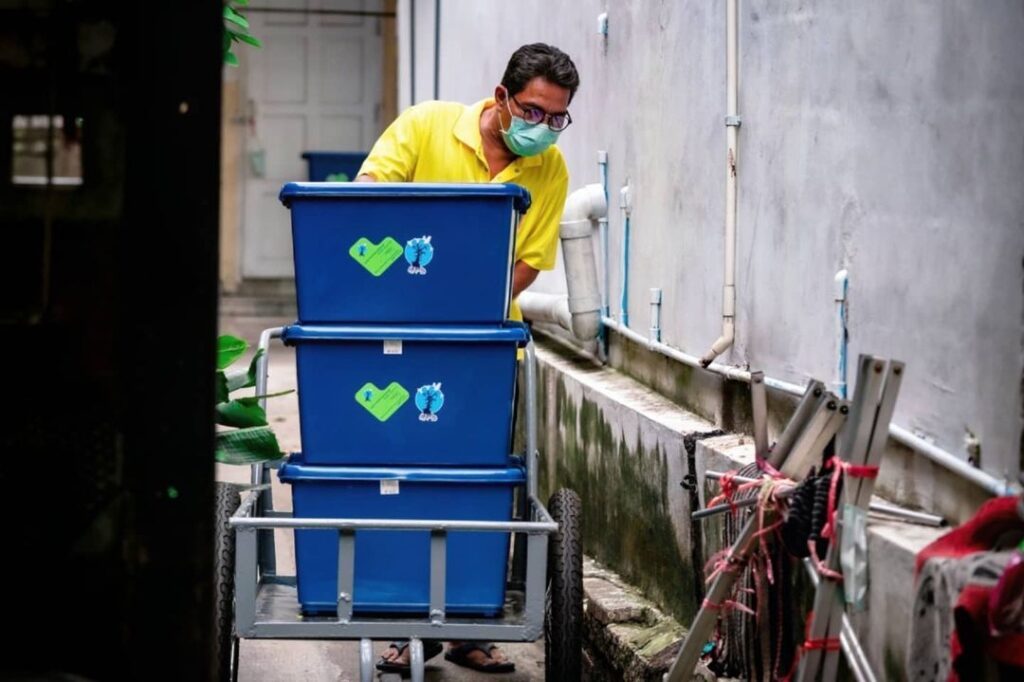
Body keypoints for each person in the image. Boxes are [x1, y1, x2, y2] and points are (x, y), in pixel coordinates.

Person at [359, 42, 579, 674]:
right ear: (502, 97)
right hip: (397, 338)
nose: (543, 127)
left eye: (557, 117)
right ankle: (404, 623)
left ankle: (467, 625)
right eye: (533, 111)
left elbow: (529, 262)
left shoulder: (549, 169)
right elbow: (366, 197)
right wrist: (411, 290)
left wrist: (465, 305)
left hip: (483, 348)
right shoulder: (427, 125)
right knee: (401, 478)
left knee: (476, 483)